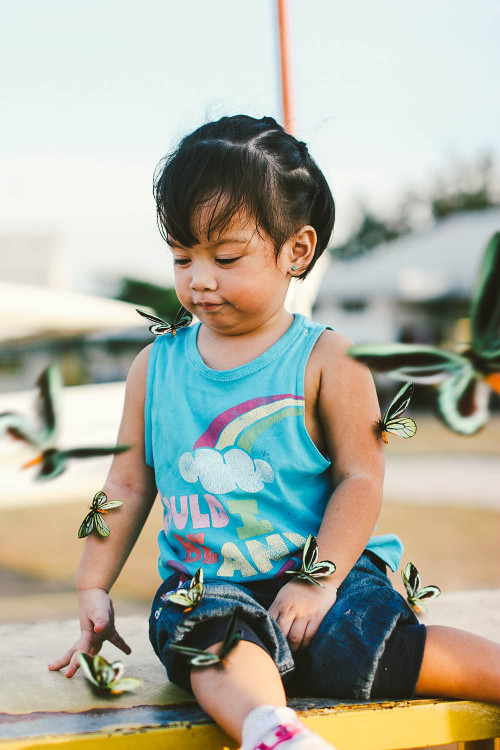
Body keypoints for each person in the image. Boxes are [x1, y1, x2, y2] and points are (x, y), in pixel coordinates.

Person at [49, 115, 500, 750]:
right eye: (182, 257)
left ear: (297, 251)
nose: (199, 279)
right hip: (209, 587)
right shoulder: (155, 367)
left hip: (326, 579)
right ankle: (274, 732)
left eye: (225, 256)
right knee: (206, 640)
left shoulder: (328, 360)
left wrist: (317, 582)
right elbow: (124, 481)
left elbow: (361, 479)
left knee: (377, 643)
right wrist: (92, 582)